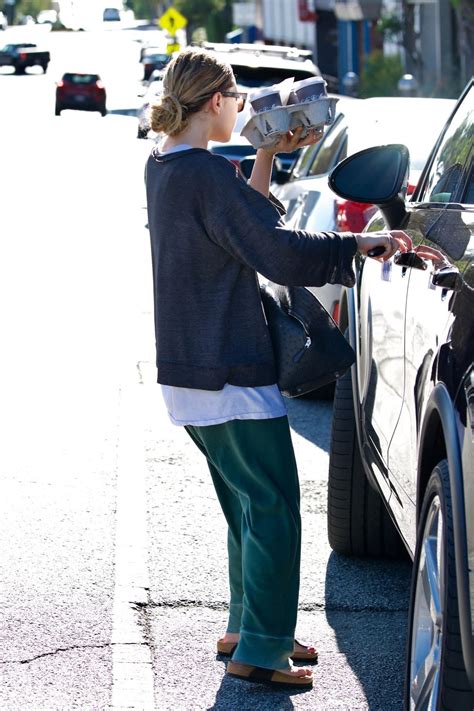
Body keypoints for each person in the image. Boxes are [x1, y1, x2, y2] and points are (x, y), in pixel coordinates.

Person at [145, 48, 411, 690]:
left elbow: (243, 225)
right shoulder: (205, 175)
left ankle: (250, 625)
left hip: (193, 366)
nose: (239, 111)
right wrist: (358, 244)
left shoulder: (166, 166)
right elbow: (278, 252)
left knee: (246, 505)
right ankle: (260, 652)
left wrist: (265, 155)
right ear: (215, 103)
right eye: (236, 101)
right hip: (227, 366)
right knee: (274, 507)